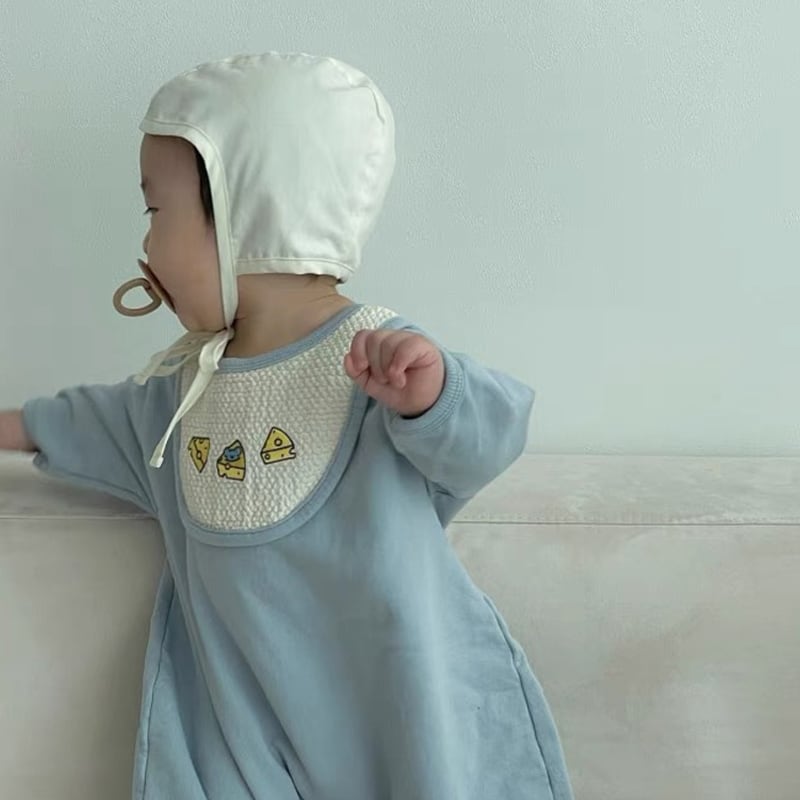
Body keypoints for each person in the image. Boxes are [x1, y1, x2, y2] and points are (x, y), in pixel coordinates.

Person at [0, 52, 573, 799]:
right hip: (232, 735)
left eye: (154, 213)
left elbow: (489, 436)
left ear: (249, 214)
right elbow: (80, 422)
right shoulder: (179, 394)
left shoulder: (378, 360)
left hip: (403, 722)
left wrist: (432, 394)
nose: (145, 248)